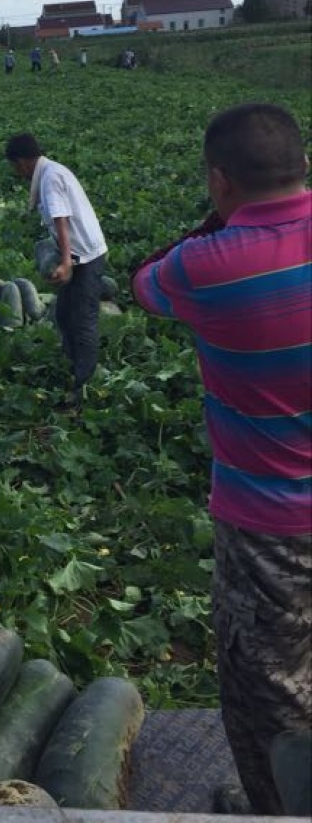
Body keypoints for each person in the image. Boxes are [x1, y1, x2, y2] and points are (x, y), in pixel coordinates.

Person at [132, 103, 311, 815]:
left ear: (219, 179)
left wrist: (216, 225)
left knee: (268, 691)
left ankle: (279, 809)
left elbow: (147, 282)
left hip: (267, 528)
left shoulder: (205, 265)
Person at [5, 133, 107, 410]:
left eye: (15, 167)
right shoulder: (53, 170)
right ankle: (71, 366)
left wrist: (64, 263)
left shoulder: (49, 179)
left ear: (23, 162)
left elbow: (61, 220)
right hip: (80, 254)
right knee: (64, 314)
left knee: (83, 321)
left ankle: (82, 388)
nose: (17, 173)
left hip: (85, 257)